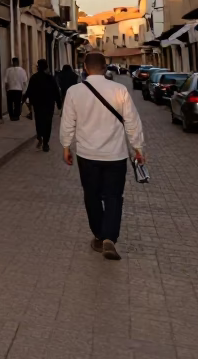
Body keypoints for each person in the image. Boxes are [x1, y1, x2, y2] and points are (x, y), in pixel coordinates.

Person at [60, 52, 145, 261]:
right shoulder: (120, 90)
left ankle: (99, 234)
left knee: (92, 195)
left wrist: (66, 146)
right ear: (105, 67)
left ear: (85, 68)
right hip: (115, 155)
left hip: (87, 155)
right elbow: (132, 121)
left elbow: (67, 121)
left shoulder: (74, 92)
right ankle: (110, 237)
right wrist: (138, 148)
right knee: (114, 196)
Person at [25, 59, 62, 152]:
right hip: (49, 104)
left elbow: (29, 90)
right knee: (48, 123)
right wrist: (59, 104)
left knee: (39, 121)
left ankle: (39, 135)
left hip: (38, 104)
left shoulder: (34, 78)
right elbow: (56, 91)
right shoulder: (50, 78)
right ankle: (45, 143)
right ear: (46, 67)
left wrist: (24, 101)